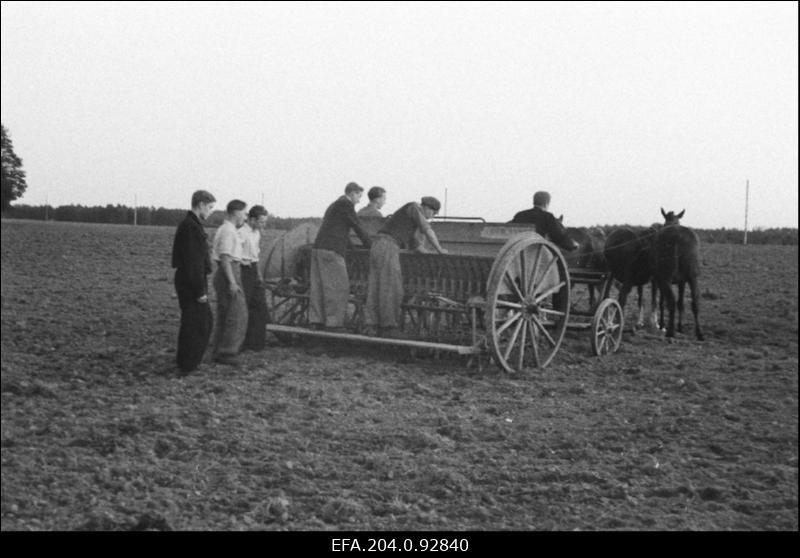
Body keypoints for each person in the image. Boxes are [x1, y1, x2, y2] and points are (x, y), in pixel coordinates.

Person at [364, 196, 448, 337]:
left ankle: (372, 326)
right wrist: (440, 250)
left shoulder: (406, 220)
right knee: (392, 287)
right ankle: (388, 327)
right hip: (388, 246)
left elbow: (415, 244)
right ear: (427, 208)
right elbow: (428, 231)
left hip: (377, 245)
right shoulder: (414, 207)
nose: (430, 218)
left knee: (376, 286)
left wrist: (428, 254)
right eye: (433, 214)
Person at [308, 182, 373, 331]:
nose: (359, 200)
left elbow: (338, 228)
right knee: (339, 287)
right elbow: (357, 225)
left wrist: (351, 246)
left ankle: (315, 321)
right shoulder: (346, 204)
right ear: (351, 193)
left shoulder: (333, 205)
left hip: (318, 248)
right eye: (358, 196)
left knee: (318, 287)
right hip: (332, 250)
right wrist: (370, 245)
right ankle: (334, 324)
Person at [171, 190, 216, 375]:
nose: (211, 211)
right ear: (201, 204)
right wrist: (200, 292)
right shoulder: (191, 227)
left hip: (191, 279)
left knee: (199, 321)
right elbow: (193, 262)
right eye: (210, 207)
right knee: (196, 323)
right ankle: (187, 364)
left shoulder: (192, 224)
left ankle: (189, 362)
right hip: (191, 282)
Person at [211, 199, 249, 365]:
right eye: (244, 213)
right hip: (229, 272)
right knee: (237, 314)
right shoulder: (228, 231)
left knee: (225, 313)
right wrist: (232, 282)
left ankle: (218, 349)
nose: (245, 217)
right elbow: (225, 257)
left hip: (228, 272)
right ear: (237, 212)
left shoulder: (227, 229)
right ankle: (227, 352)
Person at [239, 205, 269, 351]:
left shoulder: (256, 233)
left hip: (253, 270)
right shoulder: (240, 233)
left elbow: (255, 255)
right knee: (244, 307)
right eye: (262, 221)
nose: (263, 225)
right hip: (242, 270)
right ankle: (242, 343)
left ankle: (256, 343)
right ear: (252, 219)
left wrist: (258, 274)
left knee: (260, 306)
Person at [510, 191, 579, 251]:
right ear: (546, 203)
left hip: (517, 249)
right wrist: (572, 245)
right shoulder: (548, 216)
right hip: (535, 250)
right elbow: (557, 236)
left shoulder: (519, 215)